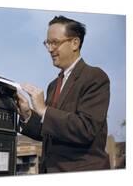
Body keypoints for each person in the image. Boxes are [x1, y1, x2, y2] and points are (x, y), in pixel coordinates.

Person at [16, 15, 110, 173]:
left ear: (75, 43)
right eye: (47, 43)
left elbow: (86, 129)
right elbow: (50, 132)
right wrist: (27, 115)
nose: (50, 49)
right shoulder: (53, 85)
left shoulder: (95, 77)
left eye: (55, 43)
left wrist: (44, 110)